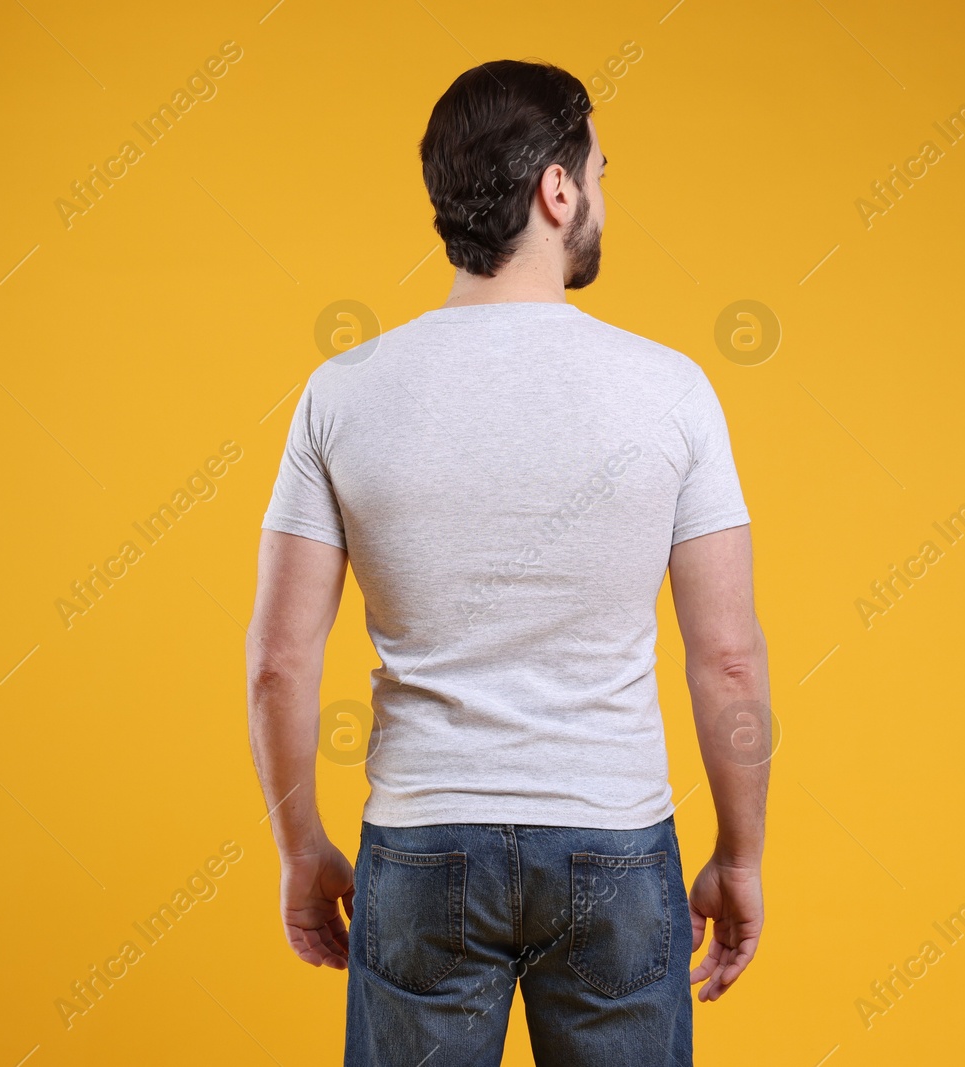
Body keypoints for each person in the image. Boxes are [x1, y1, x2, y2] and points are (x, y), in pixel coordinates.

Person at [246, 58, 770, 1067]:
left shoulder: (342, 392)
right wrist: (739, 856)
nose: (602, 199)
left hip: (420, 842)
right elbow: (730, 660)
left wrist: (299, 845)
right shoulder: (671, 390)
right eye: (600, 174)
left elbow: (277, 658)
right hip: (614, 838)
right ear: (557, 189)